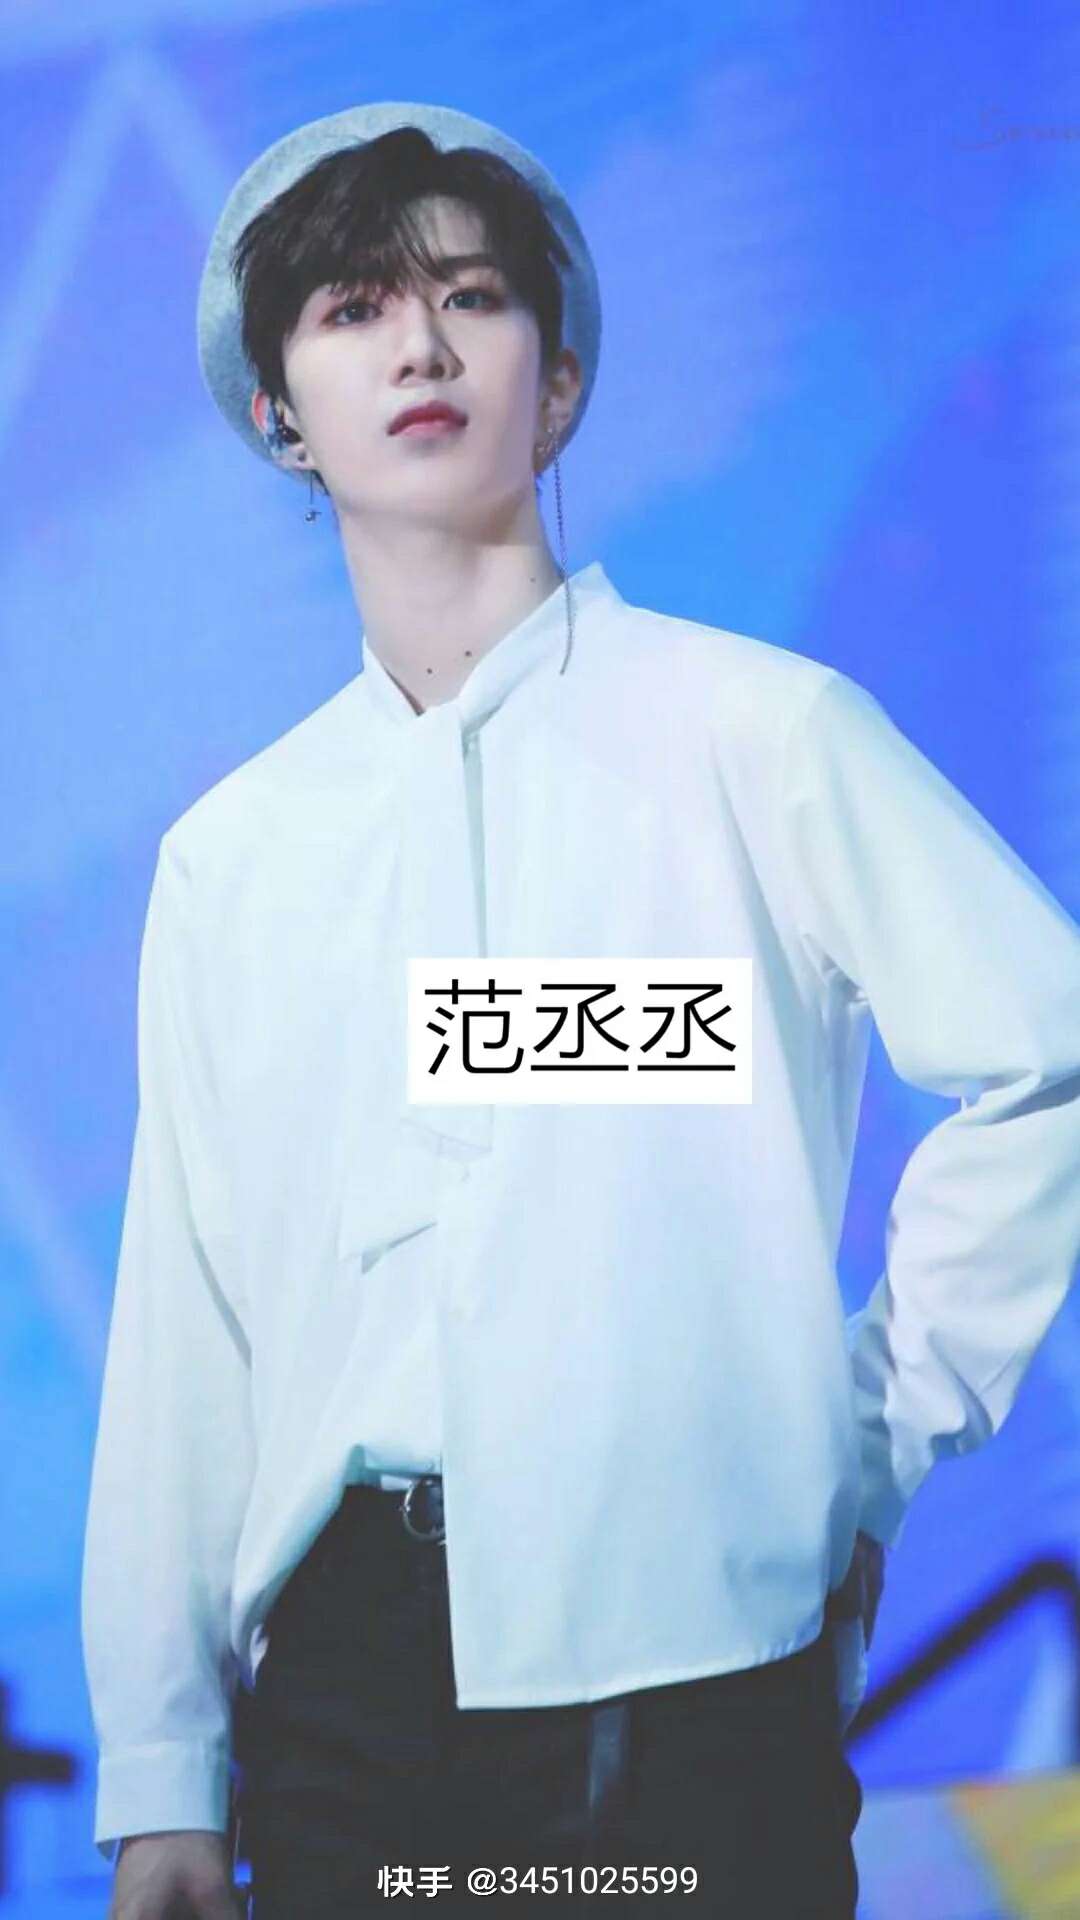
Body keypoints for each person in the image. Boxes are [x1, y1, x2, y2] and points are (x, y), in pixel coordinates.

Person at [81, 101, 1080, 1920]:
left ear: (556, 387)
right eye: (355, 309)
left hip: (693, 1666)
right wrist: (161, 1771)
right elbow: (186, 1317)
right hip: (346, 1692)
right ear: (279, 414)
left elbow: (1046, 1058)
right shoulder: (234, 854)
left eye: (470, 296)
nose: (420, 344)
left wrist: (863, 1445)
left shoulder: (756, 733)